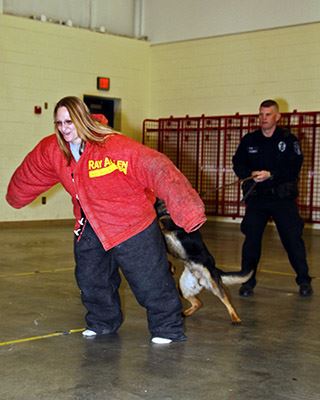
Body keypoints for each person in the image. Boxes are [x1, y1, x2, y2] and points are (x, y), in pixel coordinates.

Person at [6, 96, 207, 344]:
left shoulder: (114, 146)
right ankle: (102, 323)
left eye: (69, 121)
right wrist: (15, 196)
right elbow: (32, 171)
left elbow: (156, 167)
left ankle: (168, 328)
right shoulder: (54, 150)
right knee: (91, 279)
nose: (64, 128)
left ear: (83, 119)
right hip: (89, 224)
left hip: (131, 223)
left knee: (150, 280)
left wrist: (188, 212)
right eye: (58, 123)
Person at [232, 99, 313, 298]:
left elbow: (294, 167)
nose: (263, 118)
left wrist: (272, 174)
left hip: (281, 199)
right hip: (257, 198)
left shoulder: (288, 139)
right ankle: (247, 282)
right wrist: (250, 173)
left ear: (277, 117)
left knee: (292, 239)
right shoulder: (250, 140)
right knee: (251, 240)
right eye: (261, 114)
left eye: (268, 114)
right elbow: (237, 163)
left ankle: (303, 280)